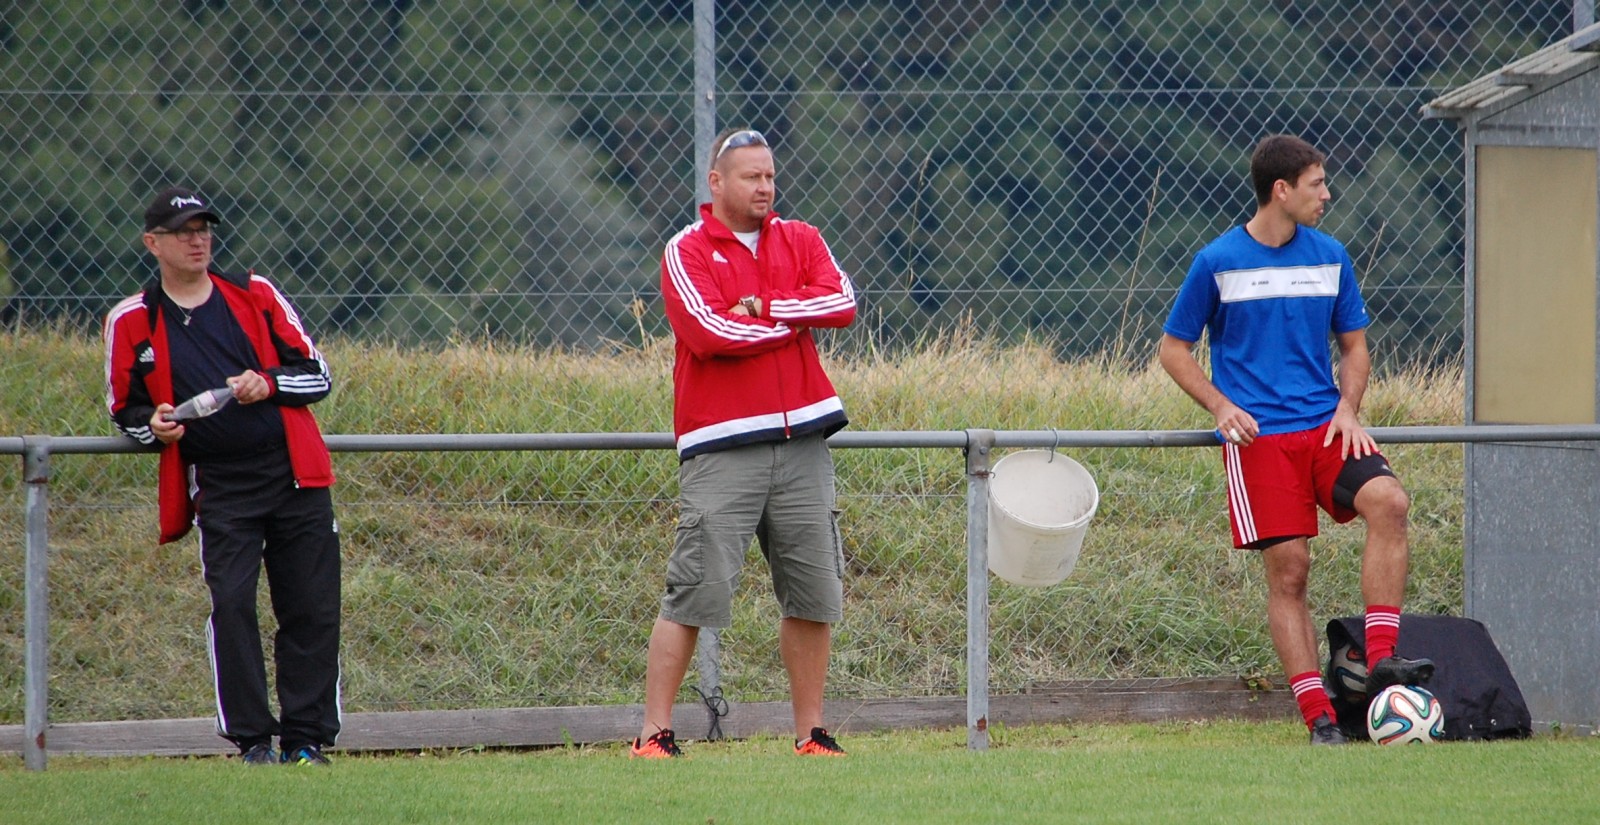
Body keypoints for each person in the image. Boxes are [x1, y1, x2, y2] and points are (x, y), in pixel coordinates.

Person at [1158, 135, 1434, 746]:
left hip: (1326, 428)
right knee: (1291, 573)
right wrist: (1221, 406)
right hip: (1261, 442)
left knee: (1390, 502)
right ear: (1281, 191)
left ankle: (1381, 661)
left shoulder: (1331, 255)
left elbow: (1355, 348)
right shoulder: (1216, 261)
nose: (1327, 194)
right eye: (1317, 183)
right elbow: (1173, 350)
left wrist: (1349, 408)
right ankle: (1319, 718)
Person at [634, 127, 858, 758]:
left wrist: (762, 308)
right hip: (722, 446)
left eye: (770, 176)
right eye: (751, 176)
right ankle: (653, 735)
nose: (765, 187)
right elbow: (710, 333)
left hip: (804, 440)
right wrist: (793, 320)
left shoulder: (802, 237)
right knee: (694, 592)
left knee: (813, 596)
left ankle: (811, 734)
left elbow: (842, 303)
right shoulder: (687, 249)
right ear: (716, 182)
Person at [103, 186, 342, 766]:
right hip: (220, 486)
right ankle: (253, 741)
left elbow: (317, 375)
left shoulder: (255, 293)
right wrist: (154, 425)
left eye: (204, 229)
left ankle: (306, 740)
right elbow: (124, 409)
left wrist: (269, 382)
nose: (198, 240)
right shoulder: (132, 319)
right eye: (184, 232)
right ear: (153, 243)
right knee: (232, 605)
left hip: (294, 476)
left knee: (311, 609)